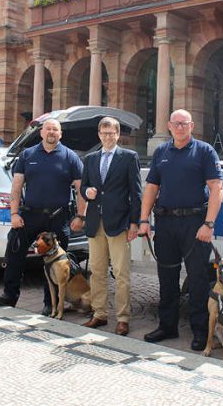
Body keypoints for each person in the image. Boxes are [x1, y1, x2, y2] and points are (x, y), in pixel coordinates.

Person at [138, 109, 223, 351]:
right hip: (165, 223)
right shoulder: (161, 152)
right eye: (176, 123)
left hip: (195, 224)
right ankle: (167, 326)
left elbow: (216, 187)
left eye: (184, 123)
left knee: (197, 279)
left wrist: (209, 224)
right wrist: (144, 220)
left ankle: (200, 332)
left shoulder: (205, 151)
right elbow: (152, 188)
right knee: (166, 277)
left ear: (192, 125)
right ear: (169, 126)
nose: (180, 127)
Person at [0, 119, 86, 315]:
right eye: (48, 129)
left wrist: (80, 216)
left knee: (55, 263)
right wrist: (14, 213)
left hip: (58, 218)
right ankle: (9, 296)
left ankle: (48, 303)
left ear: (60, 134)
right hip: (29, 216)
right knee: (14, 254)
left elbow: (80, 189)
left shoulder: (71, 157)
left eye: (56, 129)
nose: (51, 132)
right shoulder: (27, 155)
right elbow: (16, 187)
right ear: (42, 133)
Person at [80, 117, 142, 336]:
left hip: (119, 223)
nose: (107, 137)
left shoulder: (128, 157)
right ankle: (99, 314)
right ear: (99, 135)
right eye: (104, 133)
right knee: (96, 271)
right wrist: (86, 192)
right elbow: (84, 186)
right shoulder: (90, 159)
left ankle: (123, 318)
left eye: (111, 133)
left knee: (121, 273)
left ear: (118, 135)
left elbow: (136, 193)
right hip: (95, 223)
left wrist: (134, 223)